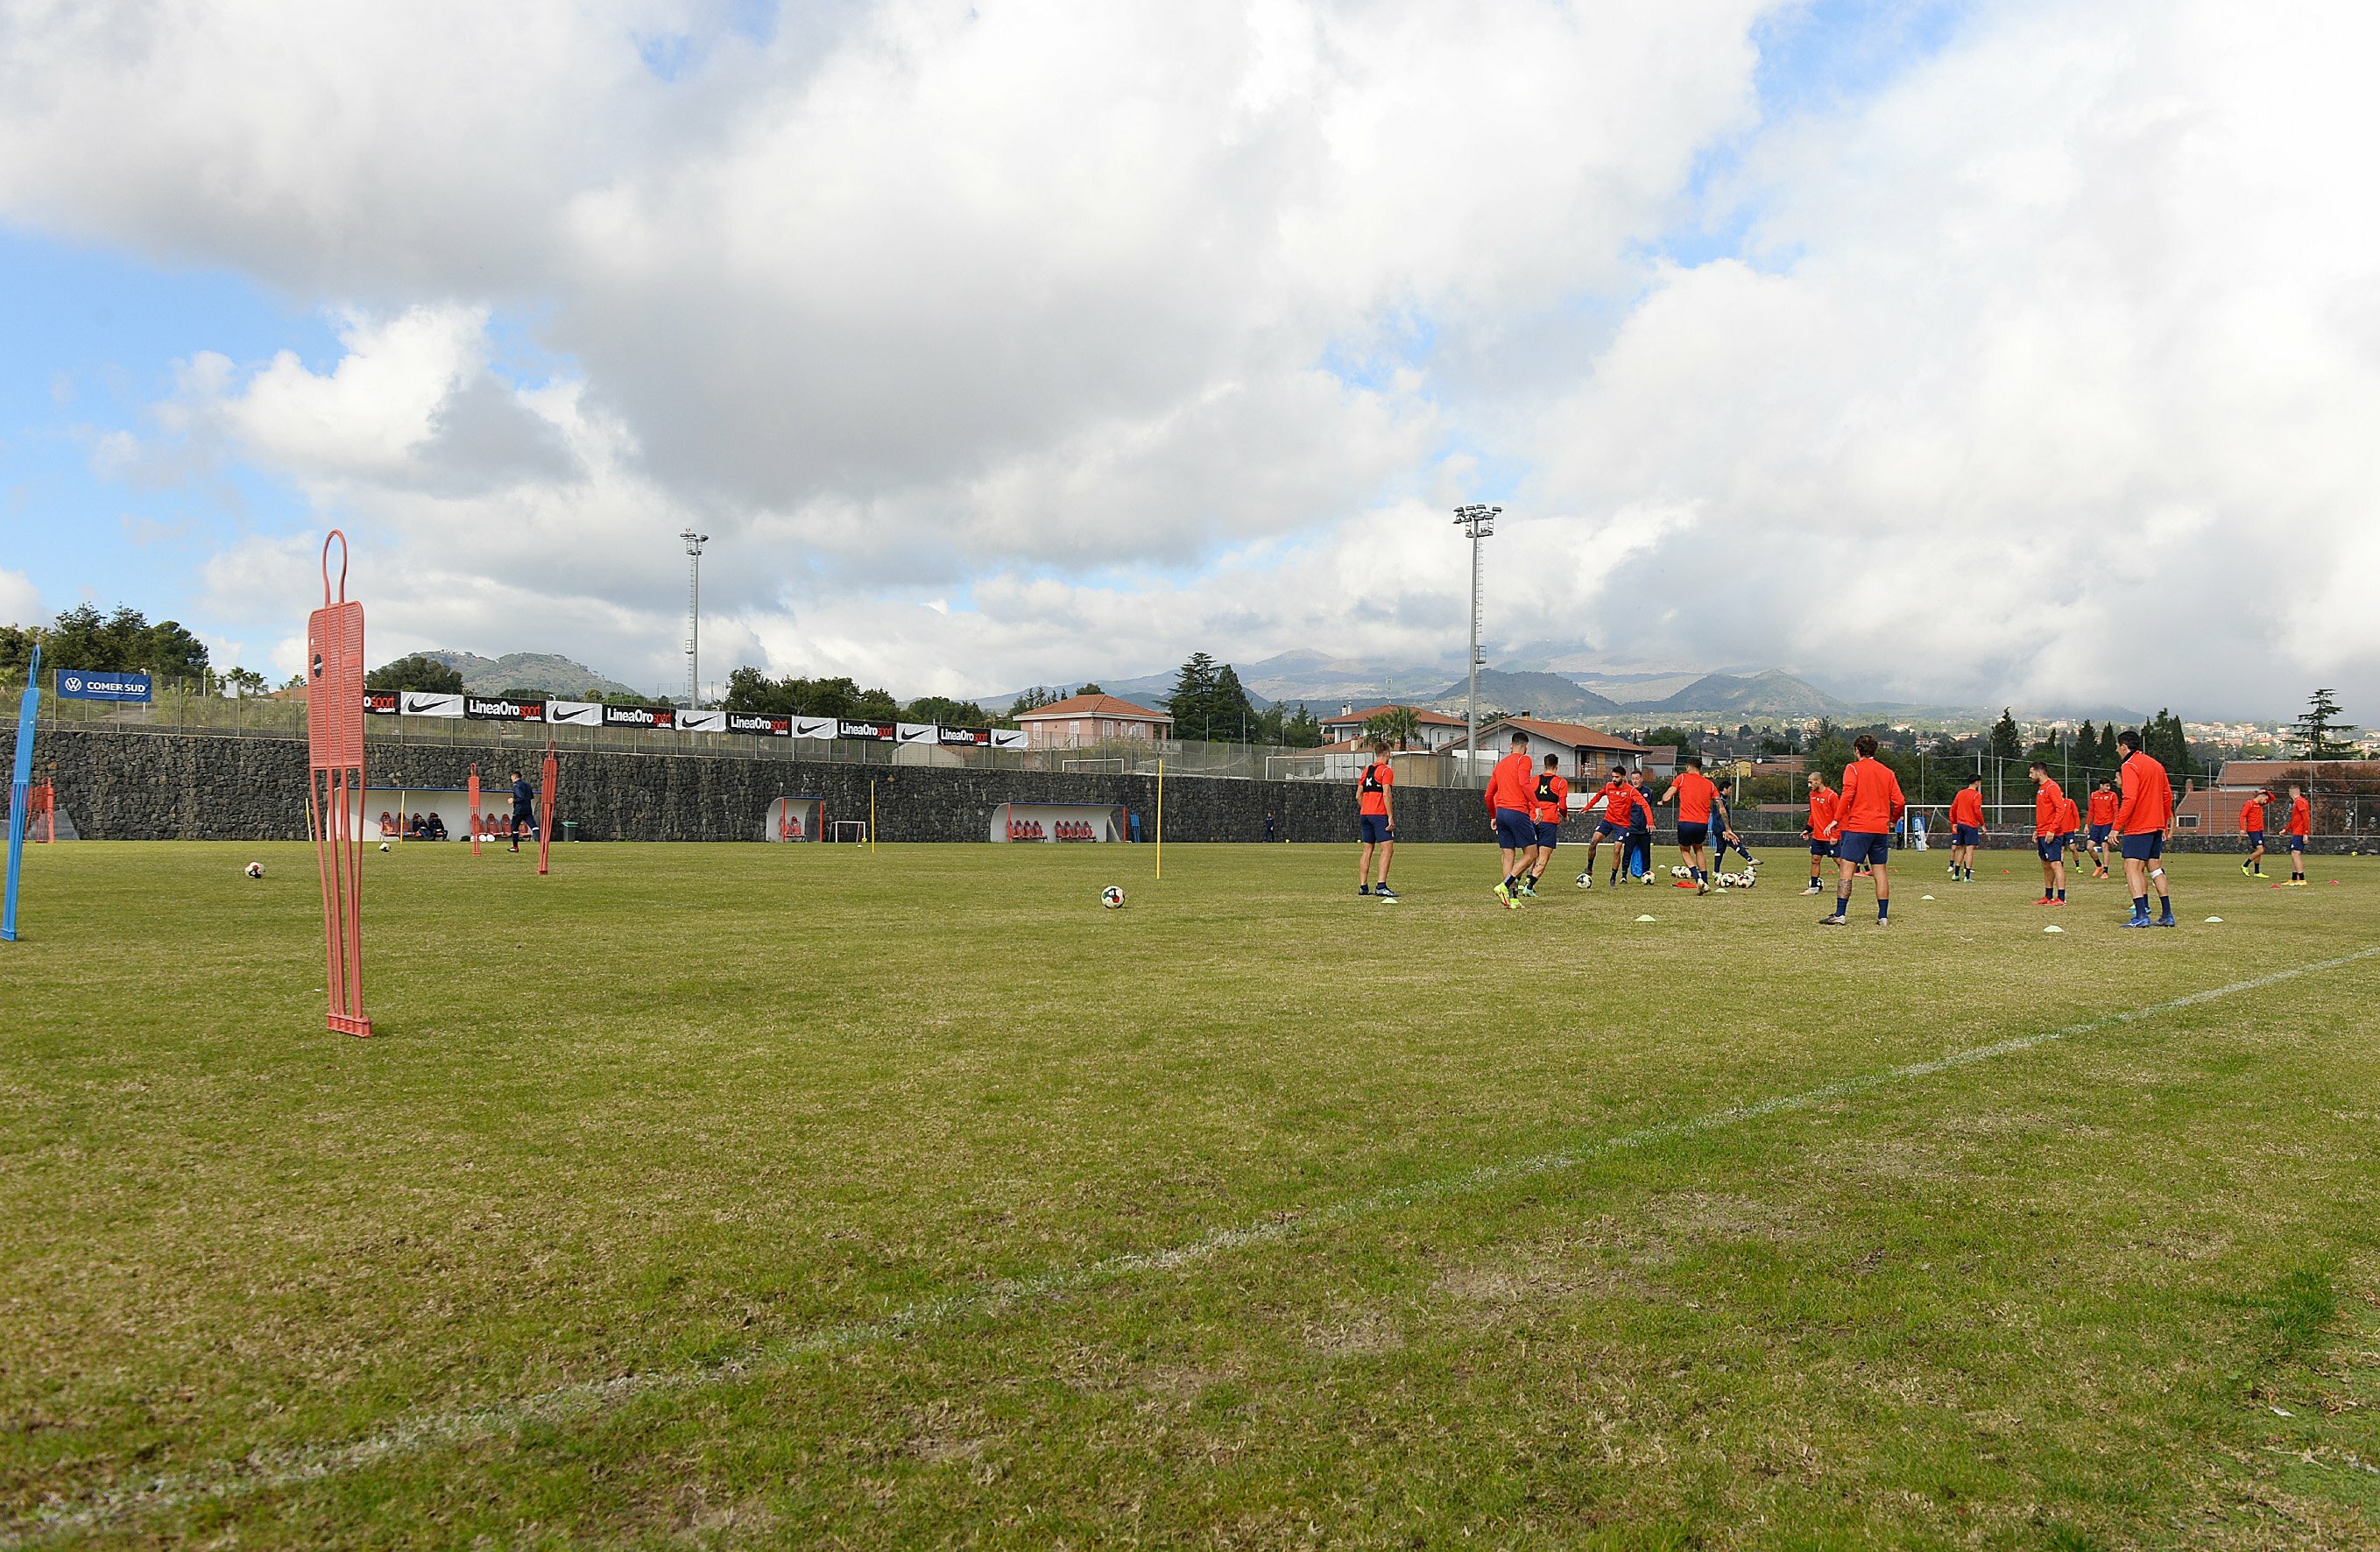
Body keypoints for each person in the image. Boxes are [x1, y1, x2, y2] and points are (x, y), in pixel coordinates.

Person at [1822, 735, 1904, 927]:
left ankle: (1840, 914)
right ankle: (1883, 916)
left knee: (1847, 869)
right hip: (1880, 829)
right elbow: (1900, 802)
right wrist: (1893, 820)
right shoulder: (1887, 772)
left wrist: (1836, 819)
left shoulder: (1853, 768)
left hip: (1858, 827)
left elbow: (1848, 794)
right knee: (1880, 871)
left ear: (1856, 749)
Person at [2113, 729, 2175, 928]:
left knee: (2131, 867)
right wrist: (2164, 822)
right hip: (2156, 825)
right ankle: (2167, 914)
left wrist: (2116, 827)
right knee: (2155, 868)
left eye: (2117, 747)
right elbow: (2167, 796)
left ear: (2124, 746)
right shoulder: (2156, 765)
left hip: (2139, 825)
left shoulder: (2129, 765)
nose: (2117, 750)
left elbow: (2129, 798)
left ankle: (2141, 915)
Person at [1484, 730, 1536, 908]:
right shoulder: (1524, 760)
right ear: (1526, 747)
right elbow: (1524, 783)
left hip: (1501, 813)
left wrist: (1493, 815)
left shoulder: (1500, 765)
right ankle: (1504, 886)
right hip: (1517, 812)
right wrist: (1536, 805)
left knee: (1508, 855)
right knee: (1531, 854)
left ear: (1511, 745)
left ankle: (1512, 898)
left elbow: (1489, 794)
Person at [1659, 755, 1720, 895]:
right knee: (1699, 849)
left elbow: (1667, 796)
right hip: (1702, 823)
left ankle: (1698, 878)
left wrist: (1663, 801)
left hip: (1686, 822)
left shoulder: (1682, 778)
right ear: (1700, 769)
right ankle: (1705, 882)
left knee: (1684, 850)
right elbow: (1719, 803)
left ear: (1689, 767)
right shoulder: (1709, 784)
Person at [1354, 737, 1397, 899]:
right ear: (1386, 754)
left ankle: (1363, 886)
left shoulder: (1366, 770)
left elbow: (1358, 795)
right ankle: (1381, 886)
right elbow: (1386, 793)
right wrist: (1390, 817)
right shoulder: (1386, 771)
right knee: (1387, 849)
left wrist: (1366, 807)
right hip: (1379, 815)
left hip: (1365, 814)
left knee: (1367, 850)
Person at [1581, 765, 1635, 888]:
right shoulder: (1609, 787)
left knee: (1616, 850)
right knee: (1593, 842)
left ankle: (1613, 879)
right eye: (1613, 777)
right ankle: (1589, 868)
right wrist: (1587, 807)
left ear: (1623, 777)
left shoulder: (1630, 790)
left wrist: (1650, 821)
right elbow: (1598, 796)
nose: (1614, 779)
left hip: (1622, 825)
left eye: (1616, 777)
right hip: (1608, 820)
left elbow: (1643, 804)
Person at [1522, 753, 1569, 895]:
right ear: (1557, 766)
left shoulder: (1534, 780)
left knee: (1530, 854)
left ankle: (1519, 880)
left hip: (1532, 819)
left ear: (1544, 765)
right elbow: (1562, 806)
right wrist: (1565, 816)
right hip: (1548, 821)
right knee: (1543, 857)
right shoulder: (1561, 783)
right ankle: (1529, 887)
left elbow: (1526, 798)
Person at [2029, 762, 2067, 906]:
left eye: (2032, 772)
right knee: (2046, 865)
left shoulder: (2052, 787)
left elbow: (2060, 809)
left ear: (2040, 772)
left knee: (2056, 864)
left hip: (2053, 833)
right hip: (2042, 832)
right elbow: (2044, 813)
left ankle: (2061, 898)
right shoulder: (2041, 789)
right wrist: (2038, 830)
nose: (2030, 776)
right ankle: (2048, 895)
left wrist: (2052, 829)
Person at [1801, 772, 1840, 894]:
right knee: (1815, 859)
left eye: (1811, 782)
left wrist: (1835, 835)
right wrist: (1808, 829)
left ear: (1819, 781)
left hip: (1830, 836)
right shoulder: (1812, 795)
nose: (1809, 785)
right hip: (1817, 835)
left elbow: (1839, 817)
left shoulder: (1832, 796)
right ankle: (1813, 887)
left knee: (1838, 861)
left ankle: (1845, 884)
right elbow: (1813, 814)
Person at [1708, 789, 1758, 875]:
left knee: (1720, 849)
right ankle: (1750, 859)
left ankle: (1716, 871)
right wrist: (1724, 829)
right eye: (1730, 789)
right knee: (1734, 842)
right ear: (1725, 789)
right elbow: (1720, 815)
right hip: (1721, 829)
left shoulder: (1719, 799)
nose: (1731, 791)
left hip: (1717, 828)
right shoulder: (1720, 800)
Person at [1946, 778, 1984, 882]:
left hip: (1960, 824)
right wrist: (1982, 824)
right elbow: (1977, 810)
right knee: (1970, 851)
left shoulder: (1960, 793)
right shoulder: (1977, 795)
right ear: (1977, 782)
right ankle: (1967, 876)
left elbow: (1953, 808)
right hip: (1970, 825)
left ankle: (1956, 874)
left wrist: (1954, 821)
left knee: (1961, 849)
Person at [1626, 769, 1656, 885]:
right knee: (1627, 852)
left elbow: (1648, 808)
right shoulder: (1628, 792)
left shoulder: (1648, 792)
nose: (1635, 781)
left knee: (1646, 852)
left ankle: (1646, 873)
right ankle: (1624, 875)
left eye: (1637, 779)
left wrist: (1650, 822)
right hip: (1631, 828)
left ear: (1642, 779)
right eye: (1633, 779)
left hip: (1645, 828)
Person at [2085, 779, 2118, 878]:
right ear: (2101, 785)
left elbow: (2116, 811)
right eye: (2106, 786)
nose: (2108, 788)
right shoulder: (2094, 795)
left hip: (2107, 824)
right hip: (2096, 825)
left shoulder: (2112, 795)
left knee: (2105, 846)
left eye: (2109, 786)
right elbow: (2091, 811)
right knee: (2089, 847)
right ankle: (2099, 865)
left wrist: (2115, 826)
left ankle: (2105, 871)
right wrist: (2087, 824)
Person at [2237, 787, 2268, 878]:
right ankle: (2245, 865)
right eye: (2265, 799)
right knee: (2260, 850)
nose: (2266, 802)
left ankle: (2257, 872)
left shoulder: (2260, 805)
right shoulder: (2249, 803)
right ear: (2261, 796)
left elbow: (2273, 797)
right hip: (2253, 830)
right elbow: (2242, 816)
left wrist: (2264, 791)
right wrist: (2242, 828)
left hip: (2259, 830)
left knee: (2259, 851)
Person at [2285, 782, 2312, 886]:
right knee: (2294, 854)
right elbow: (2295, 820)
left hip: (2300, 832)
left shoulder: (2299, 802)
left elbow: (2306, 818)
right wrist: (2285, 830)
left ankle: (2302, 879)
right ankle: (2294, 878)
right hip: (2297, 831)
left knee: (2296, 854)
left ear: (2291, 793)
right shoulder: (2299, 802)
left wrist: (2306, 833)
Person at [509, 769, 535, 853]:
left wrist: (513, 800)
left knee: (514, 828)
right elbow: (531, 796)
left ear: (514, 777)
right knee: (534, 826)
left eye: (511, 778)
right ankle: (541, 842)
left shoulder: (516, 785)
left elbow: (520, 798)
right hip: (528, 809)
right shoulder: (527, 785)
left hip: (519, 810)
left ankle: (515, 847)